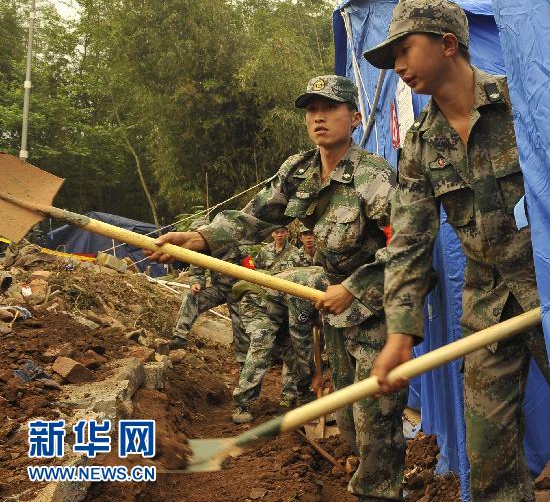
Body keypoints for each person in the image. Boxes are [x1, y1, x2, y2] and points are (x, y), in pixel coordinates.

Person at [148, 75, 406, 502]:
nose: (318, 118)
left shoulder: (373, 178)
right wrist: (197, 239)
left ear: (355, 118)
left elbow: (407, 249)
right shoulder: (298, 171)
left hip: (378, 313)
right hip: (335, 310)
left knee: (376, 420)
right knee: (347, 416)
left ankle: (379, 494)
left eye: (330, 108)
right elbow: (252, 218)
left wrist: (357, 288)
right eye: (311, 110)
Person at [365, 0, 550, 502]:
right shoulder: (420, 148)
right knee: (488, 451)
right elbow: (408, 243)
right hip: (487, 305)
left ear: (448, 45)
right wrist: (401, 333)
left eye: (405, 50)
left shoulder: (521, 104)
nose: (399, 66)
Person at [229, 225, 315, 421]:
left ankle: (304, 394)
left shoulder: (309, 267)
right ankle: (242, 404)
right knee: (263, 343)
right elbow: (301, 337)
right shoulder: (308, 290)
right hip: (258, 303)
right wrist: (315, 374)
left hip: (281, 305)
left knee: (292, 352)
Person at [169, 218, 249, 367]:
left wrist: (247, 290)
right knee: (192, 299)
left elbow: (250, 269)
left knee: (241, 325)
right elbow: (196, 272)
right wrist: (196, 284)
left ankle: (244, 362)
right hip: (219, 289)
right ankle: (179, 337)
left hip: (238, 290)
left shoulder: (234, 244)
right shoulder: (199, 251)